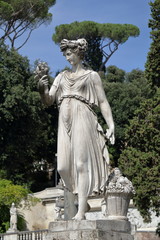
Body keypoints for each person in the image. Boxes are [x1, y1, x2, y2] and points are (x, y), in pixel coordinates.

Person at [38, 38, 115, 220]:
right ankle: (83, 198)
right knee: (63, 167)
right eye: (65, 54)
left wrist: (110, 124)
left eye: (69, 53)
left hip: (84, 117)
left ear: (79, 53)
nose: (67, 58)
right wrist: (42, 88)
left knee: (81, 164)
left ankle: (81, 210)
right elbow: (48, 100)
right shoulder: (61, 76)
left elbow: (102, 101)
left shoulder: (92, 76)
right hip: (64, 121)